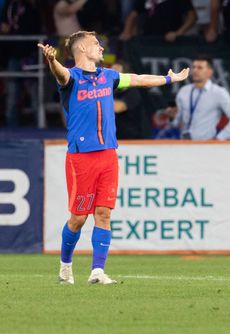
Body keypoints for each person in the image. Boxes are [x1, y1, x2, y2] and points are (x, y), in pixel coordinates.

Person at [38, 31, 189, 285]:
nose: (100, 47)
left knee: (104, 213)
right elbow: (60, 74)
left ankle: (97, 271)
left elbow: (139, 79)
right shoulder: (71, 78)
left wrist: (168, 78)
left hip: (108, 154)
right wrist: (52, 61)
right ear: (82, 50)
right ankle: (65, 266)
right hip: (81, 158)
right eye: (96, 44)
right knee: (78, 218)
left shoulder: (108, 77)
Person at [174, 55, 230, 140]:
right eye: (194, 67)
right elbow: (176, 122)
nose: (195, 70)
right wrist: (171, 117)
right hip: (183, 144)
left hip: (205, 146)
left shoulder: (218, 93)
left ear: (209, 72)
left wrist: (219, 139)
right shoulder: (183, 91)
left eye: (200, 68)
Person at [119, 0, 196, 42]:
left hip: (172, 43)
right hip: (148, 41)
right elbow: (132, 16)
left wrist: (178, 33)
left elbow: (192, 17)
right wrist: (126, 32)